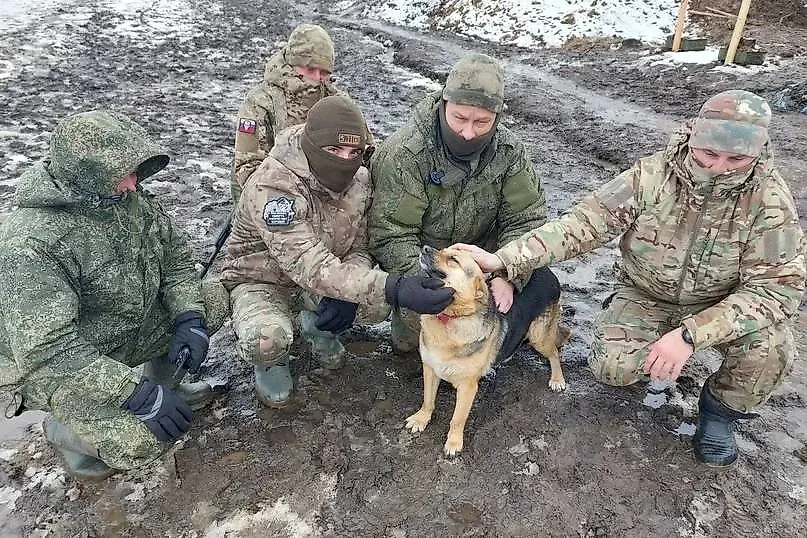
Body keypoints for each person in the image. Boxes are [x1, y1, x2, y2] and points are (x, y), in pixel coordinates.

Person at [455, 90, 806, 468]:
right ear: (693, 137)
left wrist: (691, 335)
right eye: (708, 153)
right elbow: (581, 225)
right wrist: (505, 260)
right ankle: (651, 350)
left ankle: (719, 412)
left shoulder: (769, 201)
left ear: (757, 151)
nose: (719, 167)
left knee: (771, 349)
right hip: (646, 294)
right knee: (611, 367)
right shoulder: (651, 177)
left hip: (721, 302)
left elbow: (777, 289)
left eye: (736, 159)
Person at [0, 111, 228, 480]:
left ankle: (166, 386)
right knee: (141, 442)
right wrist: (134, 393)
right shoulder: (31, 243)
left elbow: (176, 262)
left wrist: (188, 317)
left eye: (135, 172)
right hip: (60, 366)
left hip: (121, 329)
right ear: (89, 175)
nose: (133, 184)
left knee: (210, 301)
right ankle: (63, 429)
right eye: (124, 174)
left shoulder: (127, 200)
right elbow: (48, 350)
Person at [220, 95, 454, 408]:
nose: (345, 160)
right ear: (312, 145)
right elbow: (309, 265)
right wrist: (393, 286)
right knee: (267, 338)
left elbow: (358, 244)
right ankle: (271, 363)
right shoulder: (273, 186)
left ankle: (317, 327)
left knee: (374, 306)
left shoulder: (360, 181)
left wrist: (348, 292)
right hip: (262, 280)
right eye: (334, 150)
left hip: (322, 276)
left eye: (354, 152)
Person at [368, 52, 547, 354]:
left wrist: (506, 273)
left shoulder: (509, 152)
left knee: (534, 284)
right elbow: (390, 233)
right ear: (443, 104)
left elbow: (527, 219)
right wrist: (427, 284)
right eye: (459, 118)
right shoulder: (405, 154)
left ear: (497, 118)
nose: (467, 133)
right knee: (411, 345)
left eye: (482, 122)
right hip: (427, 267)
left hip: (482, 268)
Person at [232, 23, 345, 203]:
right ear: (292, 64)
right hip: (272, 192)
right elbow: (247, 166)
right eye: (310, 69)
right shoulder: (260, 102)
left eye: (324, 72)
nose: (317, 78)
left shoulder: (338, 101)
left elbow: (364, 151)